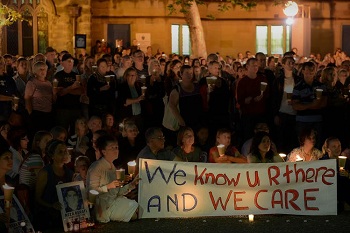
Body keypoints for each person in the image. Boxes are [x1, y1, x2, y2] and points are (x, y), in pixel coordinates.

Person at [86, 134, 139, 223]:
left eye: (117, 147)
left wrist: (132, 184)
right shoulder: (96, 167)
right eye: (112, 148)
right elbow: (91, 192)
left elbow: (117, 192)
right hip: (103, 208)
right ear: (104, 151)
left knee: (139, 209)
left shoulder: (113, 167)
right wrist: (108, 186)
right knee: (135, 214)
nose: (116, 150)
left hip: (114, 201)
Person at [34, 139, 73, 230]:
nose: (64, 154)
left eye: (65, 151)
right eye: (60, 152)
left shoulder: (69, 172)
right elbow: (37, 198)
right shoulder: (45, 173)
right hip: (47, 217)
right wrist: (51, 205)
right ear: (52, 155)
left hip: (65, 215)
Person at [292, 62, 327, 149]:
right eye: (308, 70)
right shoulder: (298, 87)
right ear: (303, 71)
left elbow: (323, 103)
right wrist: (313, 104)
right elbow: (295, 106)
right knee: (302, 144)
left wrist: (304, 105)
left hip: (317, 120)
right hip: (302, 121)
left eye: (312, 71)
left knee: (317, 145)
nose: (310, 73)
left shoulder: (320, 86)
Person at [25, 61, 57, 136]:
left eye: (44, 69)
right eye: (40, 69)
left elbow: (53, 100)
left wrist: (55, 93)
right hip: (37, 113)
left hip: (48, 114)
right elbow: (27, 98)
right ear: (35, 71)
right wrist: (31, 114)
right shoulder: (32, 82)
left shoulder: (49, 83)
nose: (43, 71)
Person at [54, 53, 83, 132]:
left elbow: (80, 91)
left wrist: (66, 90)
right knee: (62, 130)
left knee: (75, 131)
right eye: (68, 61)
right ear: (63, 63)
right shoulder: (58, 75)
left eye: (72, 61)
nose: (71, 63)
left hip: (75, 108)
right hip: (63, 109)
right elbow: (59, 92)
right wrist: (72, 87)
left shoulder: (76, 75)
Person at [320, 137, 350, 212]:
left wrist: (347, 175)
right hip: (327, 199)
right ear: (327, 149)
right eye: (334, 146)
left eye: (339, 146)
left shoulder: (347, 162)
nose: (338, 149)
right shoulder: (321, 163)